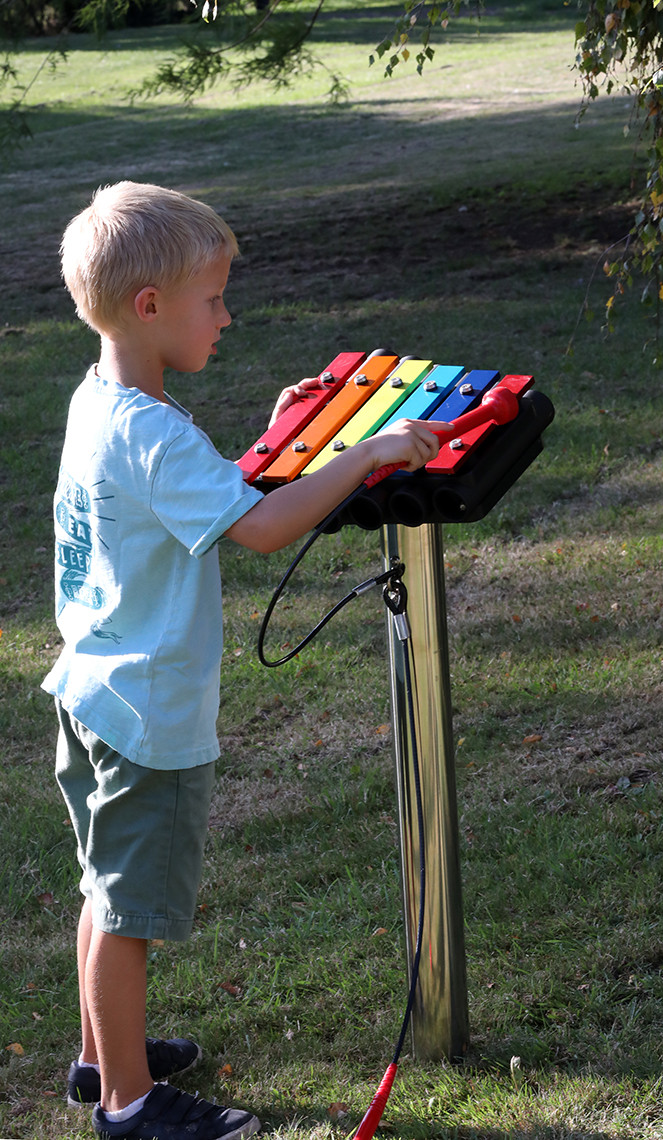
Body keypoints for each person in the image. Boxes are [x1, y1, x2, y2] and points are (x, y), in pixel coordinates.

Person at [42, 181, 441, 1140]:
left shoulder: (104, 402)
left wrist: (272, 441)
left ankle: (102, 1058)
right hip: (147, 716)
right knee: (128, 913)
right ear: (151, 307)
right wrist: (365, 455)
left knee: (103, 890)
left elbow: (200, 495)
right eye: (214, 299)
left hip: (91, 692)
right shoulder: (154, 431)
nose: (227, 317)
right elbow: (259, 528)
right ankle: (130, 1106)